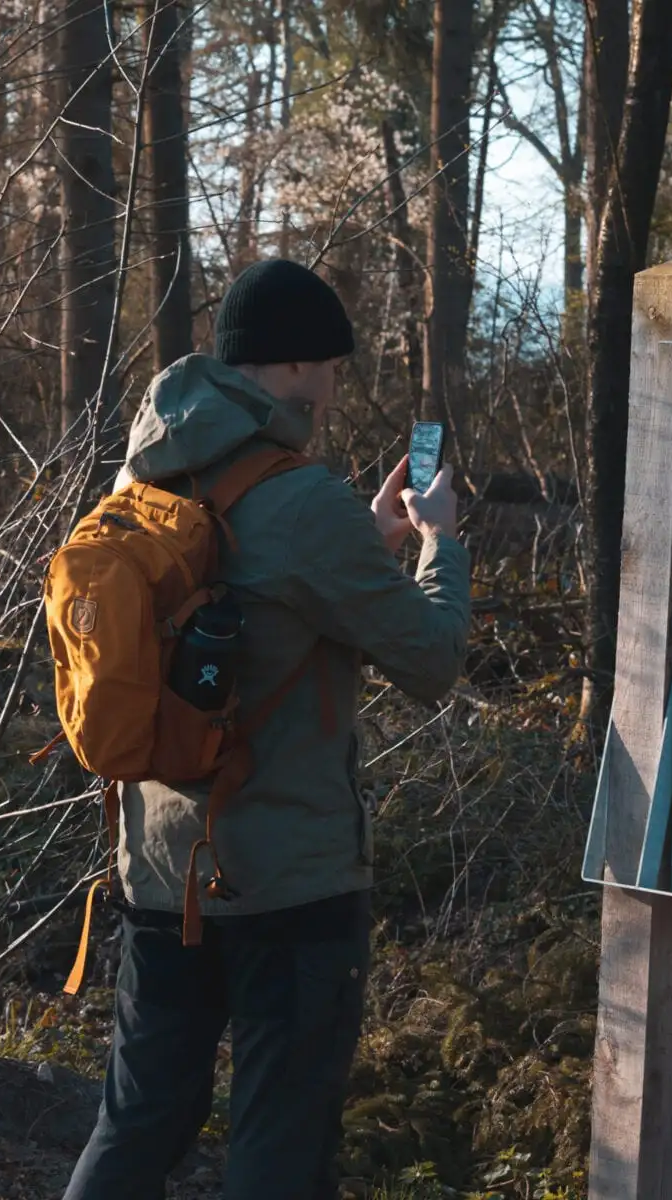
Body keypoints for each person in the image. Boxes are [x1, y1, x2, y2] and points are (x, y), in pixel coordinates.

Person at [63, 259, 472, 1199]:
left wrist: (368, 541)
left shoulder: (142, 474)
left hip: (162, 876)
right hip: (290, 885)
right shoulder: (302, 498)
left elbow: (250, 603)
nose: (332, 389)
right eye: (329, 366)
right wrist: (441, 543)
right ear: (292, 367)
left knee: (136, 1127)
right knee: (279, 1150)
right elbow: (431, 659)